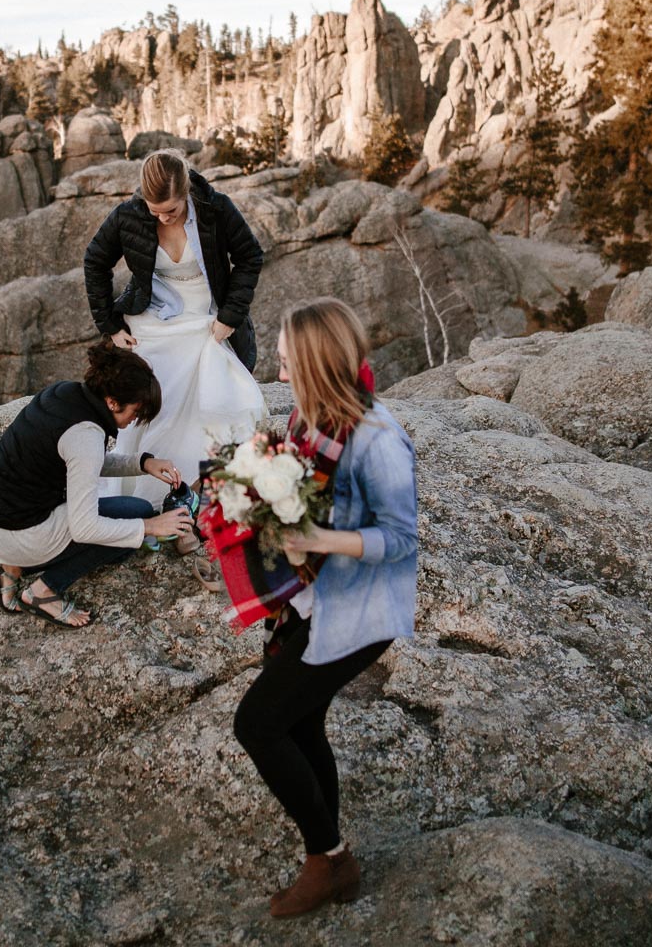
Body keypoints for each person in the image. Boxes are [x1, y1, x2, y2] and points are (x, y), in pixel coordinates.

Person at [231, 297, 417, 918]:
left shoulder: (378, 439)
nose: (280, 375)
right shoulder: (309, 420)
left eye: (287, 364)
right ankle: (331, 858)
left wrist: (320, 540)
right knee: (300, 722)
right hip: (312, 594)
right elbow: (297, 496)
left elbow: (401, 539)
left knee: (257, 723)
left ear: (316, 363)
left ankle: (329, 860)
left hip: (358, 610)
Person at [83, 150, 267, 507]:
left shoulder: (216, 209)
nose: (164, 217)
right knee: (152, 398)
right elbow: (95, 260)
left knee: (222, 397)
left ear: (186, 193)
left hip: (206, 314)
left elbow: (250, 256)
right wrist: (109, 324)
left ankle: (205, 490)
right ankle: (147, 493)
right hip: (152, 314)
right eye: (156, 211)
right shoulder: (128, 215)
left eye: (172, 210)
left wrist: (230, 316)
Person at [0, 342, 194, 628]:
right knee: (133, 525)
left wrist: (142, 462)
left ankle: (6, 566)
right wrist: (153, 526)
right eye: (136, 412)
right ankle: (44, 591)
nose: (136, 419)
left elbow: (79, 461)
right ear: (112, 401)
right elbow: (85, 527)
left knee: (130, 521)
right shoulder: (85, 436)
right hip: (21, 534)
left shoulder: (64, 394)